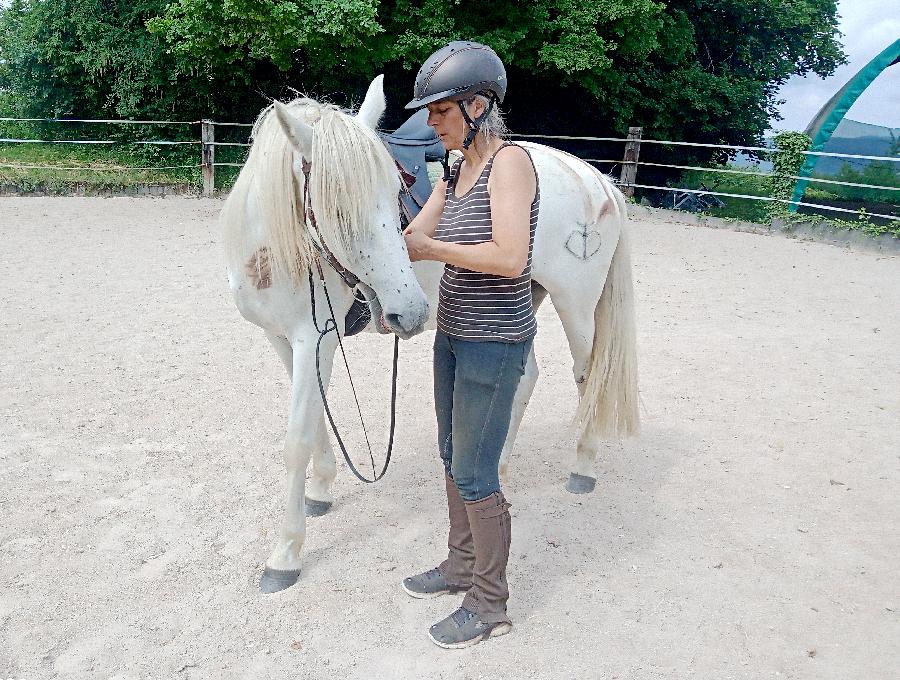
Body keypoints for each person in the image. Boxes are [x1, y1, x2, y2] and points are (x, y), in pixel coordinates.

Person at [401, 41, 539, 649]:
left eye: (440, 111)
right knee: (451, 453)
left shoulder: (511, 164)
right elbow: (413, 237)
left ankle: (490, 602)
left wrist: (433, 251)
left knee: (477, 470)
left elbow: (510, 258)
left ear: (478, 105)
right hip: (454, 334)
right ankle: (460, 565)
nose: (430, 123)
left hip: (495, 340)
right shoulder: (454, 170)